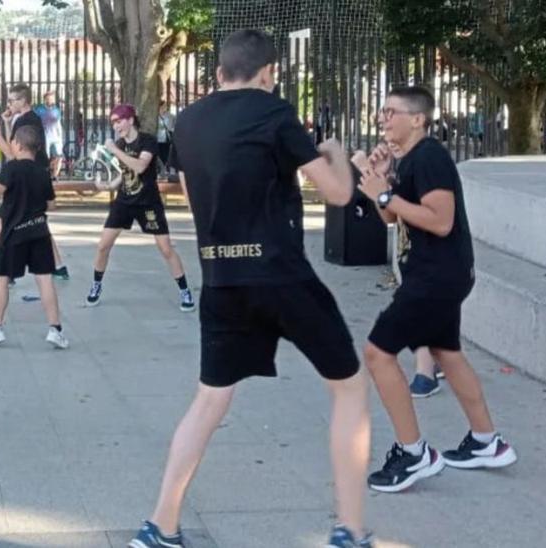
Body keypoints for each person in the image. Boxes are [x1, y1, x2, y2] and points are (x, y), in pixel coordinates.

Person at [127, 29, 372, 548]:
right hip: (282, 275)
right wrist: (335, 151)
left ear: (219, 73)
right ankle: (349, 530)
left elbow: (194, 190)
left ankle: (160, 525)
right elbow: (338, 192)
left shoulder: (188, 121)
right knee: (349, 387)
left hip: (221, 278)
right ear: (268, 74)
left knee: (210, 401)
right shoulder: (275, 111)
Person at [355, 85, 518, 495]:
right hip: (438, 273)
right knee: (447, 351)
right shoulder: (409, 160)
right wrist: (379, 181)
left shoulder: (430, 157)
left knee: (378, 353)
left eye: (391, 112)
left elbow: (440, 221)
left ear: (418, 119)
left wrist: (387, 191)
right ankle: (486, 442)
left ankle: (413, 453)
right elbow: (391, 218)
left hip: (436, 276)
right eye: (382, 112)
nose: (382, 118)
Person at [85, 104, 195, 312]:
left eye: (119, 121)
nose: (117, 126)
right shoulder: (119, 143)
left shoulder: (147, 141)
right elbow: (125, 173)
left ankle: (184, 290)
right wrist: (108, 186)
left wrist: (114, 150)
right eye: (113, 123)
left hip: (148, 202)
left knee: (165, 248)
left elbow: (140, 166)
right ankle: (96, 284)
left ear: (130, 120)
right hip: (124, 202)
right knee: (102, 246)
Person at [0, 125, 68, 350]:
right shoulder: (42, 172)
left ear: (17, 144)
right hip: (39, 231)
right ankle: (56, 330)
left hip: (13, 233)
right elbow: (51, 205)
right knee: (44, 279)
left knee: (2, 279)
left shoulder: (12, 168)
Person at [0, 83, 70, 287]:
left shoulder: (27, 120)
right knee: (36, 219)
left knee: (0, 220)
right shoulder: (26, 119)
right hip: (35, 174)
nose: (9, 104)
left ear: (23, 101)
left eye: (12, 100)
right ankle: (58, 266)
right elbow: (14, 143)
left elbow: (13, 153)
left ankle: (6, 271)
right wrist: (5, 122)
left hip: (26, 176)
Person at [34, 90, 64, 179]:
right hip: (45, 136)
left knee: (59, 156)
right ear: (45, 99)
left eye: (52, 98)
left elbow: (58, 124)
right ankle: (44, 175)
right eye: (49, 98)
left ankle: (54, 175)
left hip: (56, 136)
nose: (51, 100)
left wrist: (61, 136)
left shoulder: (57, 110)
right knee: (45, 157)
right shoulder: (39, 110)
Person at [156, 101, 176, 175]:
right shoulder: (155, 116)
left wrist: (170, 129)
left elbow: (174, 126)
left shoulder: (171, 116)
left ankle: (166, 170)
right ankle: (161, 170)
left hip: (166, 139)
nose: (165, 108)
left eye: (165, 106)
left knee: (167, 154)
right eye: (163, 106)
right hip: (158, 139)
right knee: (159, 155)